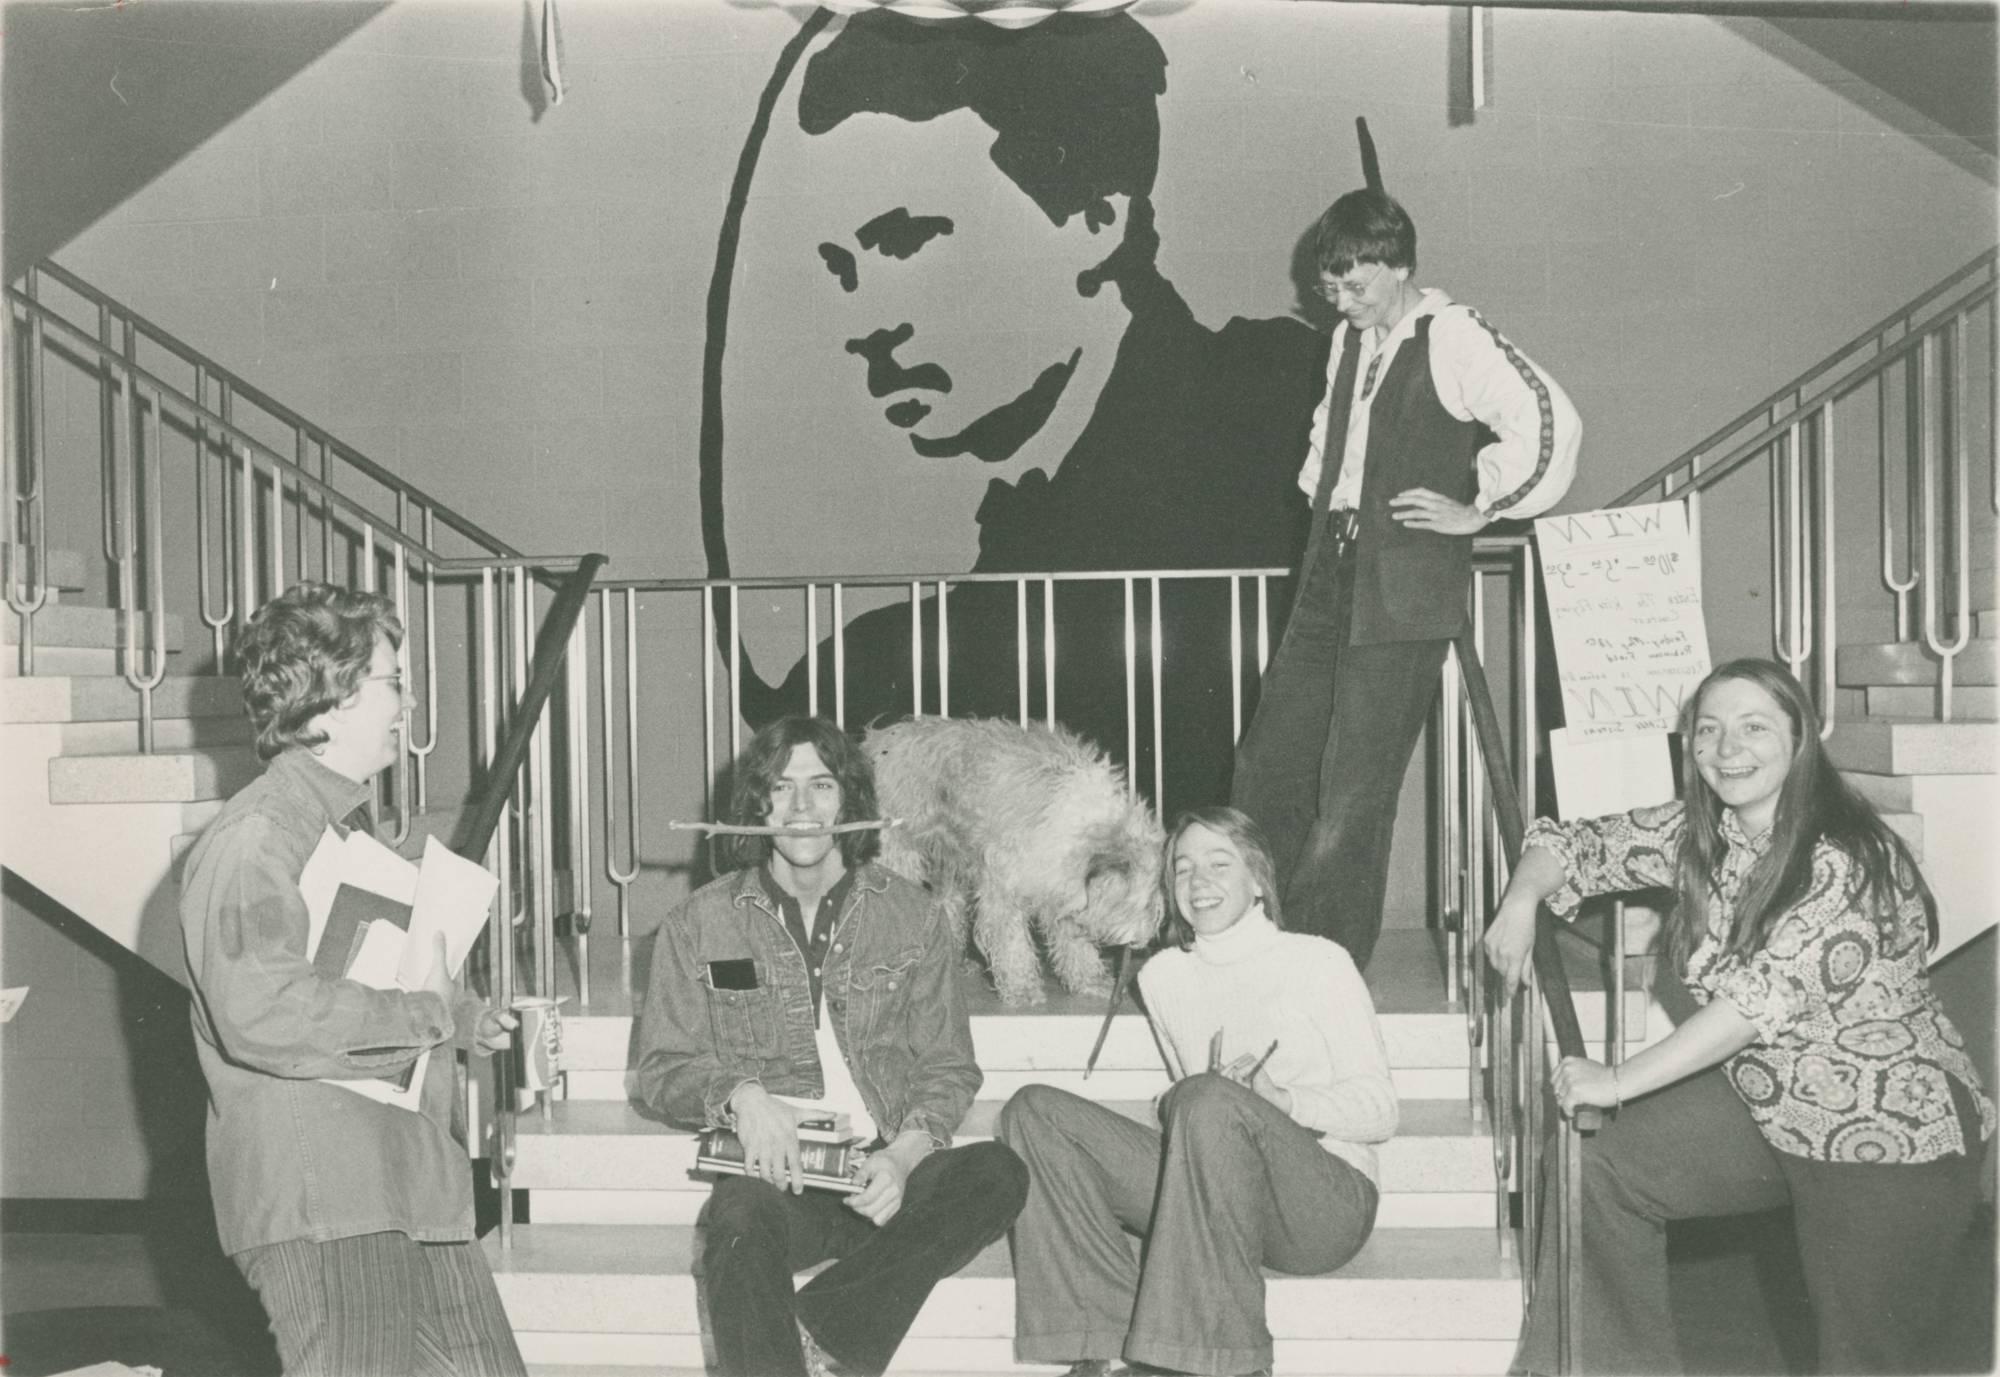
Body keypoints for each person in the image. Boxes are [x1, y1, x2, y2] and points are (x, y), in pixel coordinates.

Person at [706, 9, 1329, 814]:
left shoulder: (1273, 399)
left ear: (1099, 222)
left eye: (902, 245)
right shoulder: (925, 619)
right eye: (842, 267)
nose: (864, 324)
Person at [1483, 658, 1994, 1376]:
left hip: (1886, 1139)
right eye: (1709, 730)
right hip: (1771, 1105)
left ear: (1803, 736)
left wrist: (1618, 1078)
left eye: (1754, 726)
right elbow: (1575, 845)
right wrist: (1521, 901)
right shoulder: (1705, 832)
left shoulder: (1847, 859)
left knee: (1863, 1360)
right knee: (1600, 1161)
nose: (1728, 749)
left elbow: (1752, 1006)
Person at [179, 582, 525, 1377]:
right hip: (326, 1192)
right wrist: (426, 1014)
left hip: (403, 1183)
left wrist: (463, 1017)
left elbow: (379, 979)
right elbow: (264, 1011)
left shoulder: (343, 829)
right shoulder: (257, 839)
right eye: (392, 680)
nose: (406, 701)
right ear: (327, 703)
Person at [1231, 186, 1582, 970]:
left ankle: (1321, 972)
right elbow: (1331, 450)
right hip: (1332, 566)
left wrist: (1479, 506)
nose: (1343, 303)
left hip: (1403, 587)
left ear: (1398, 266)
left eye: (1356, 286)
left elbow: (1549, 420)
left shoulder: (1452, 335)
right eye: (1331, 290)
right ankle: (1246, 948)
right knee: (1268, 763)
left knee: (1350, 797)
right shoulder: (1351, 342)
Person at [632, 716, 1028, 1377]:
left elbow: (948, 1065)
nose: (803, 809)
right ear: (756, 807)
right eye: (781, 789)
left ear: (849, 800)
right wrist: (739, 1096)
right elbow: (661, 1067)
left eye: (820, 785)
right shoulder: (698, 922)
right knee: (735, 1214)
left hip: (886, 1178)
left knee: (997, 1173)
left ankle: (820, 1329)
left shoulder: (913, 915)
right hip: (781, 1180)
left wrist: (905, 1154)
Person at [999, 806, 1397, 1377]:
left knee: (1207, 1099)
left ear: (1258, 880)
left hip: (1324, 1205)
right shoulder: (1161, 979)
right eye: (1182, 869)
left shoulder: (1319, 961)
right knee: (1034, 1113)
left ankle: (1219, 1362)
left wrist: (1282, 1102)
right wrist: (1178, 1105)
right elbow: (1200, 1116)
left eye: (1218, 863)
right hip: (1223, 1198)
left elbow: (1381, 1112)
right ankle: (1103, 1343)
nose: (1198, 882)